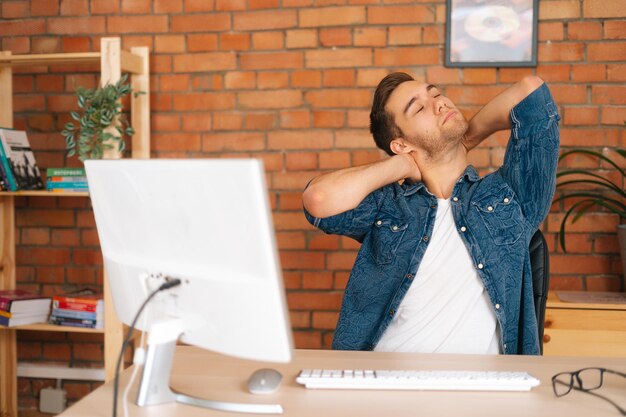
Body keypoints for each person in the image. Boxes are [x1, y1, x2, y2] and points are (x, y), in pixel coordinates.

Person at [302, 73, 560, 355]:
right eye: (419, 107)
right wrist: (402, 166)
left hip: (479, 391)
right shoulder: (387, 207)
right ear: (401, 144)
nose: (440, 104)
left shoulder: (510, 196)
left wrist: (467, 137)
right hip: (381, 385)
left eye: (436, 94)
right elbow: (319, 199)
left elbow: (531, 92)